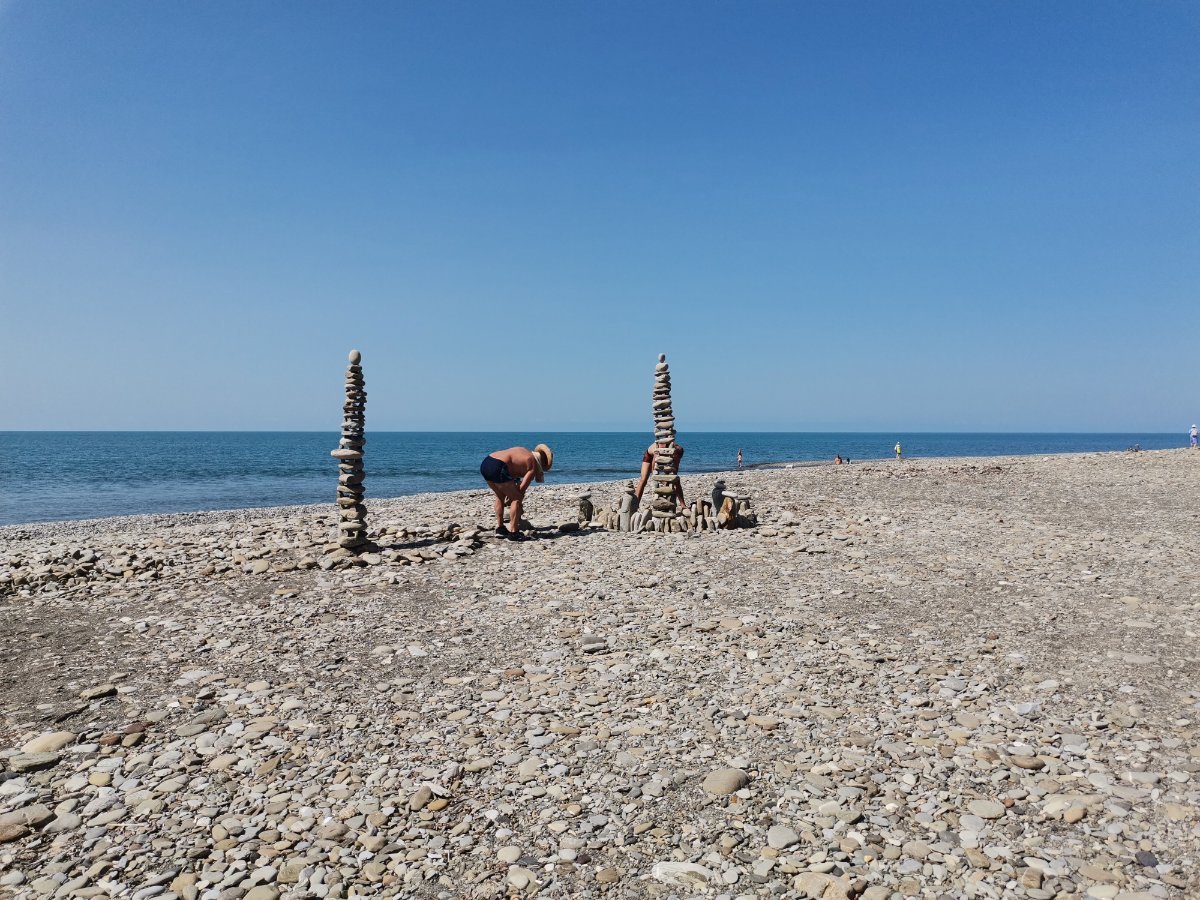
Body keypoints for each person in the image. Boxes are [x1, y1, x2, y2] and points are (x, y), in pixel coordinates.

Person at [479, 444, 553, 541]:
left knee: (500, 495)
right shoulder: (532, 465)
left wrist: (511, 493)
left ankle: (500, 529)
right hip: (499, 466)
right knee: (517, 498)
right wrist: (516, 500)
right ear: (542, 463)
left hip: (487, 462)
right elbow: (521, 490)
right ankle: (514, 533)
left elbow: (511, 473)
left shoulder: (523, 451)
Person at [634, 440, 685, 506]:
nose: (676, 460)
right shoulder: (659, 449)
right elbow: (654, 470)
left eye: (677, 459)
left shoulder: (678, 452)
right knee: (643, 480)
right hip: (649, 456)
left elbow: (675, 470)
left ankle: (683, 504)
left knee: (677, 481)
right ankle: (635, 504)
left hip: (665, 457)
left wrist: (672, 479)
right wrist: (662, 480)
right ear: (673, 453)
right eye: (675, 458)